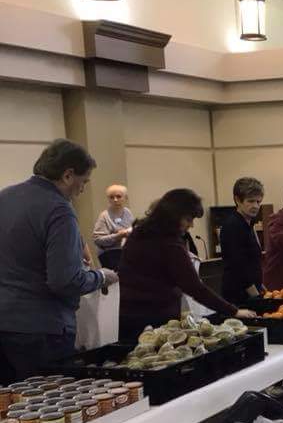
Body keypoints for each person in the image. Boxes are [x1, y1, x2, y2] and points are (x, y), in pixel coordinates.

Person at [0, 140, 119, 381]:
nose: (82, 190)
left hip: (5, 323)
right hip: (42, 329)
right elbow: (64, 281)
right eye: (84, 182)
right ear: (67, 175)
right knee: (49, 399)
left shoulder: (5, 197)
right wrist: (100, 276)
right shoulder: (59, 209)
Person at [118, 189, 254, 339]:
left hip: (128, 315)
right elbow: (194, 287)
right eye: (189, 219)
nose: (191, 225)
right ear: (174, 215)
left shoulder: (138, 233)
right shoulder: (170, 244)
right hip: (156, 319)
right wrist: (234, 311)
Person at [220, 177, 265, 306]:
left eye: (258, 201)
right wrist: (255, 295)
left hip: (250, 292)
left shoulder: (248, 224)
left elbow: (252, 263)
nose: (255, 206)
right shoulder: (233, 225)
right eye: (250, 201)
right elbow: (237, 266)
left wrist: (260, 286)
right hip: (238, 296)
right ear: (237, 200)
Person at [93, 184, 134, 269]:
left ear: (125, 198)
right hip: (110, 253)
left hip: (126, 250)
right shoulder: (104, 216)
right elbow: (98, 240)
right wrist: (118, 236)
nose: (115, 200)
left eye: (118, 196)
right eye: (111, 197)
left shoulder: (128, 213)